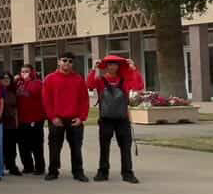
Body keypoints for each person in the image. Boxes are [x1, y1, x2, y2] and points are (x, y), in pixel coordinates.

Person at [88, 55, 144, 183]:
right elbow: (89, 84)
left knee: (125, 147)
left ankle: (127, 173)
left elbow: (139, 85)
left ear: (118, 66)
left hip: (122, 119)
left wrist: (133, 69)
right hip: (105, 119)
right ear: (106, 66)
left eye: (115, 64)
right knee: (104, 146)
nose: (112, 67)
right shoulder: (101, 80)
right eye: (110, 64)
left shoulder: (125, 80)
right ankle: (103, 171)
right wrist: (93, 69)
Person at [42, 51, 90, 182]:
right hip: (57, 119)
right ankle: (53, 171)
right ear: (58, 62)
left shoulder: (78, 79)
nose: (67, 63)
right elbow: (47, 100)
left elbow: (84, 100)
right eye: (64, 60)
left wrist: (81, 118)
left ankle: (78, 172)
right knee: (54, 147)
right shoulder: (50, 79)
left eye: (70, 61)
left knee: (76, 147)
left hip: (74, 119)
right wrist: (52, 117)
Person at [15, 65, 46, 176]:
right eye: (22, 72)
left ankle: (39, 167)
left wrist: (28, 81)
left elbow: (35, 94)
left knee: (36, 145)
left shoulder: (37, 83)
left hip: (35, 119)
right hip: (22, 120)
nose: (24, 74)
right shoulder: (19, 84)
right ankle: (28, 166)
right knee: (23, 146)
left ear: (32, 72)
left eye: (27, 71)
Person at [0, 71, 22, 176]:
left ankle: (12, 166)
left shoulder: (13, 91)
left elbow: (16, 108)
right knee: (1, 146)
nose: (6, 79)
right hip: (0, 122)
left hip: (11, 122)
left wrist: (17, 121)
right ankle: (1, 166)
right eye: (3, 78)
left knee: (12, 146)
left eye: (8, 78)